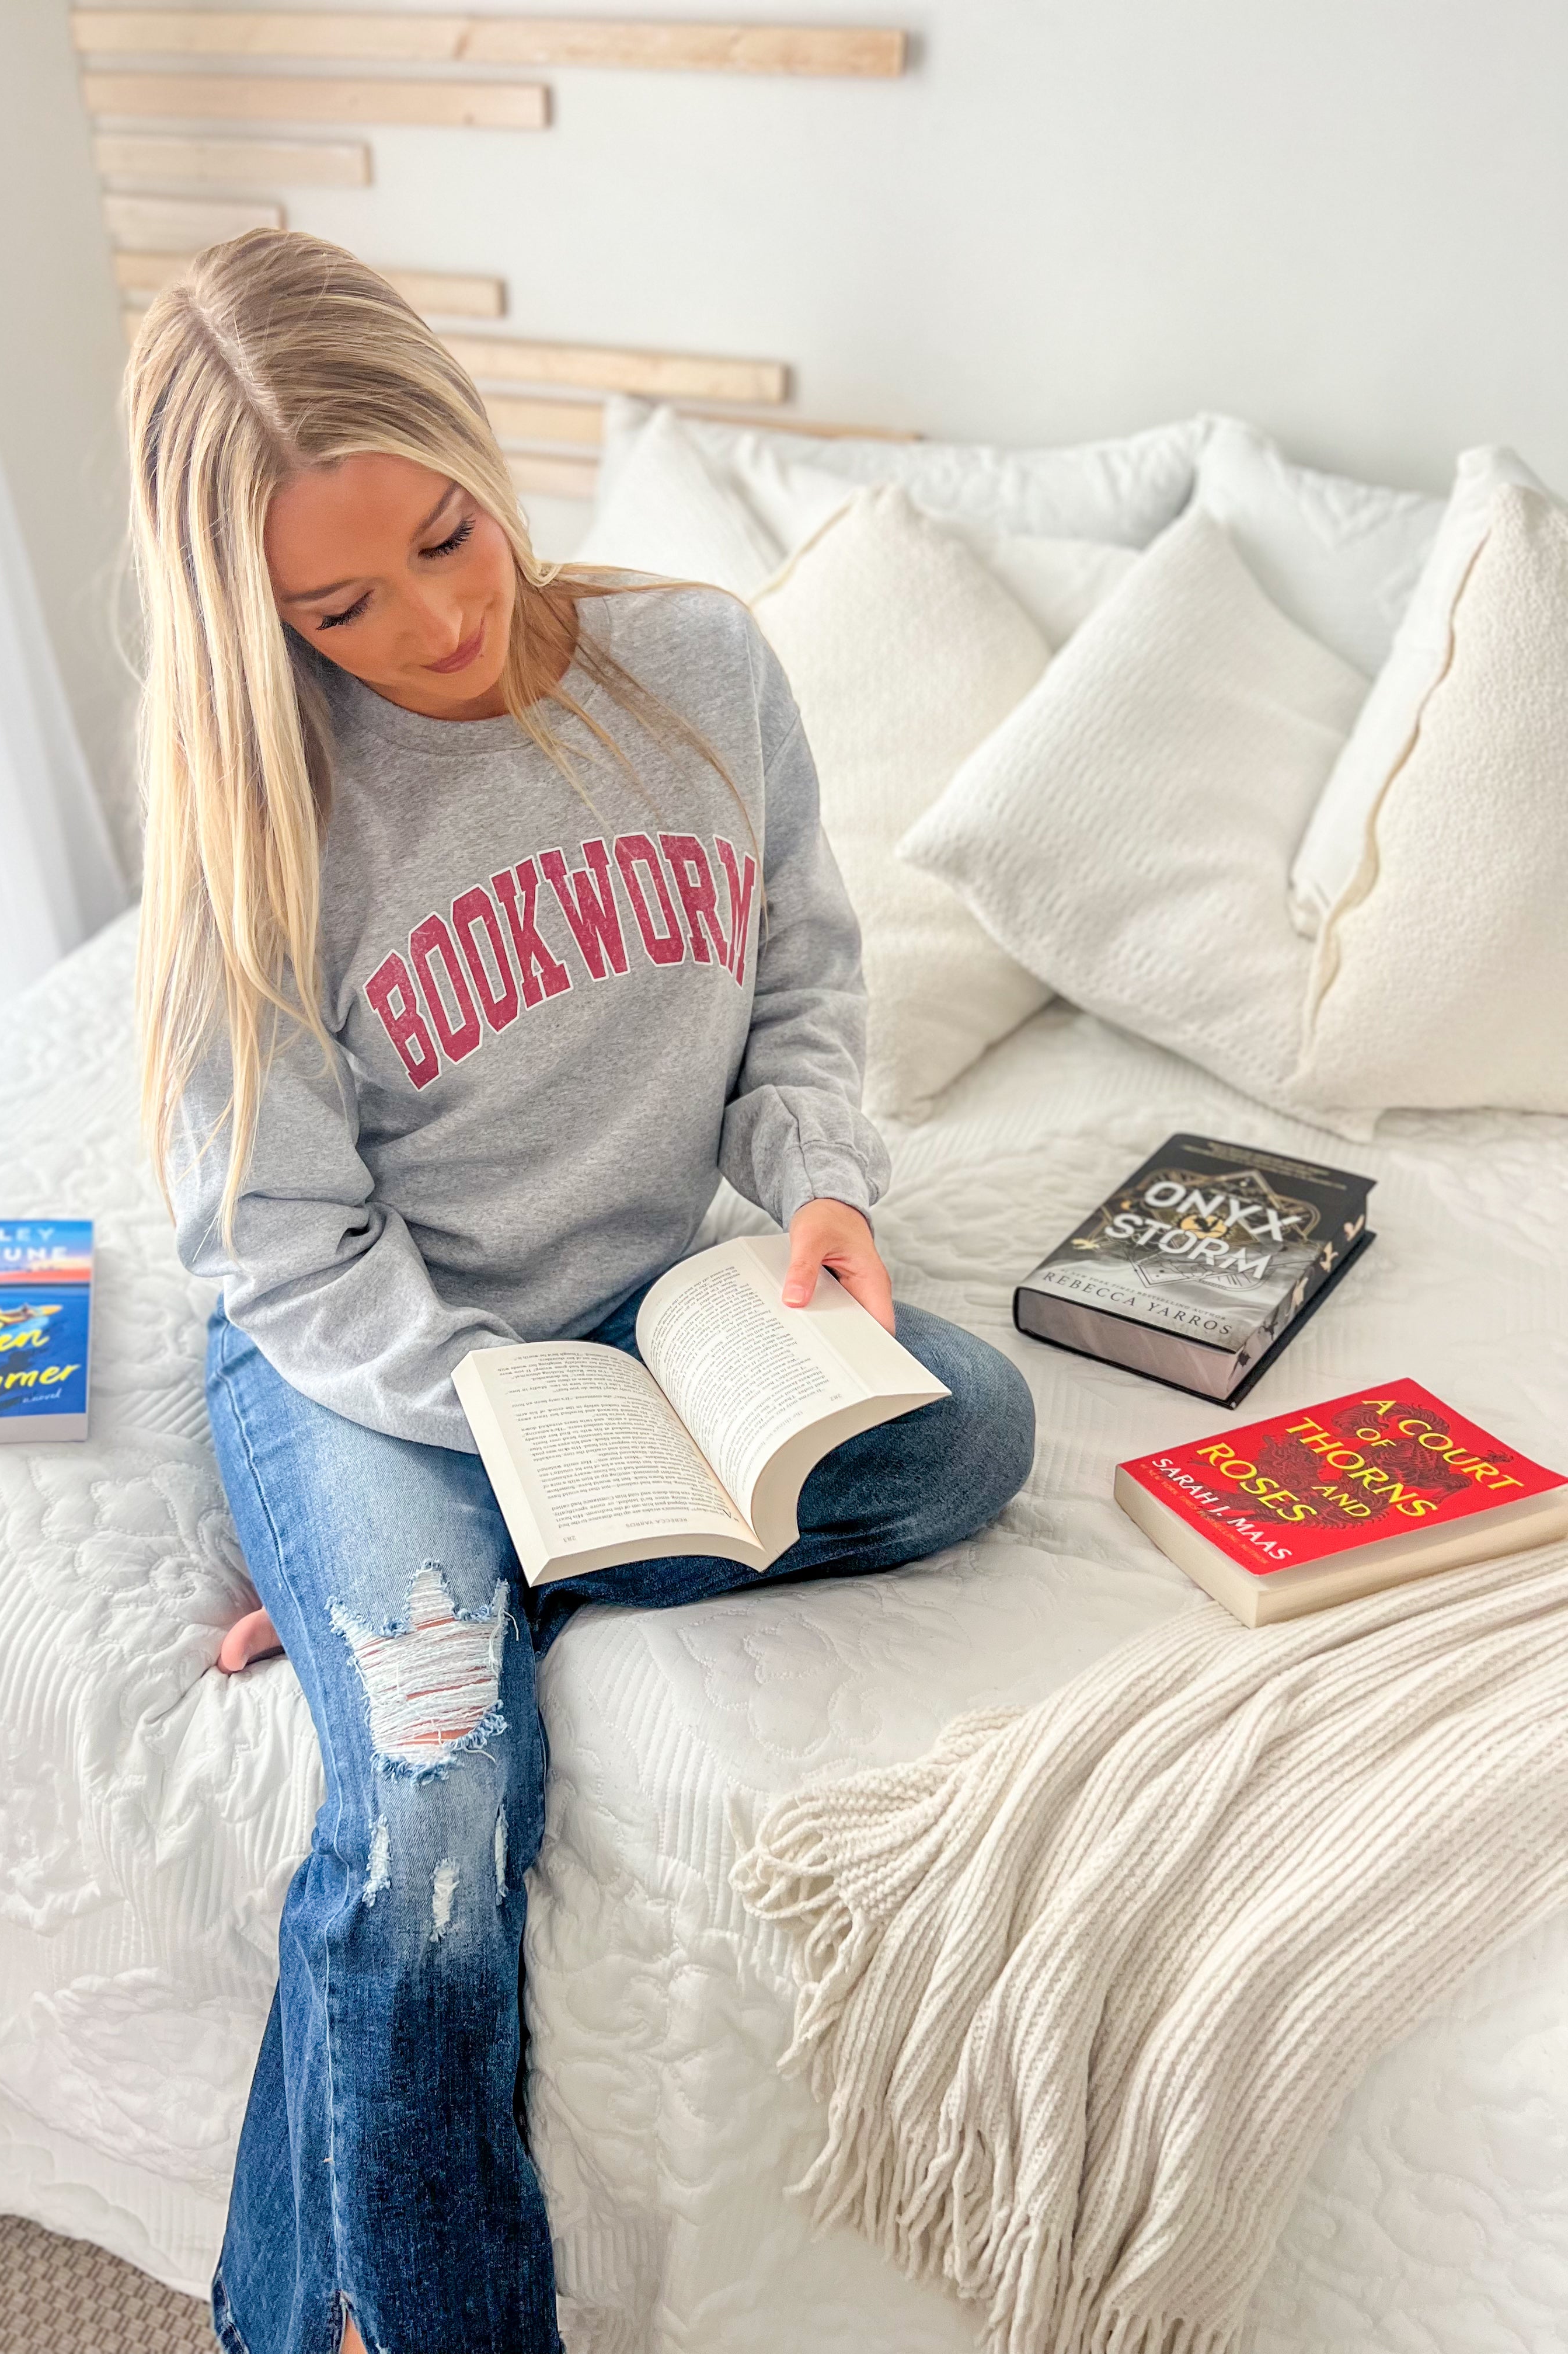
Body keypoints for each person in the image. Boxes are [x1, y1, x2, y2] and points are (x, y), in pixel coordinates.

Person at [128, 228, 1034, 2354]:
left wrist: (816, 1195)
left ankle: (432, 1586)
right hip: (368, 1358)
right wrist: (487, 1448)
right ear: (255, 615)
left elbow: (803, 975)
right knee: (439, 1809)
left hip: (648, 1324)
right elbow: (271, 1246)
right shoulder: (265, 826)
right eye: (339, 607)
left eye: (447, 536)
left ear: (472, 446)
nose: (436, 623)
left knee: (971, 1427)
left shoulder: (703, 671)